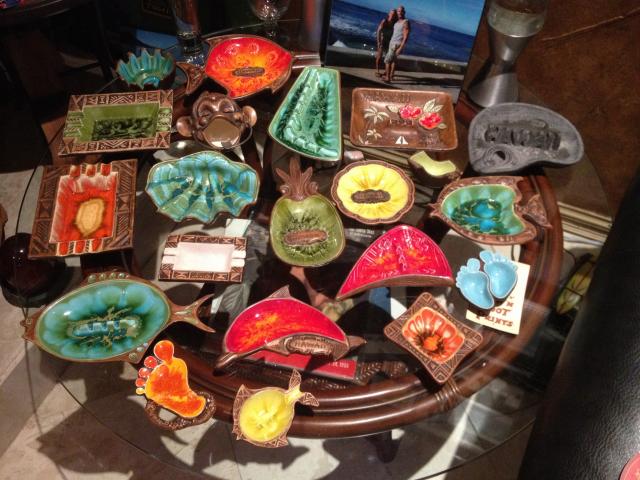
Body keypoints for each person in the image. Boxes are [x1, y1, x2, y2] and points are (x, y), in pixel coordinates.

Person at [384, 5, 410, 83]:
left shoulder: (405, 22)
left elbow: (406, 36)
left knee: (387, 61)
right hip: (392, 43)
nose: (400, 12)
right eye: (398, 11)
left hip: (396, 44)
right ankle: (391, 76)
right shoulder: (397, 21)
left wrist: (401, 48)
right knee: (393, 61)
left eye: (401, 11)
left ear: (404, 12)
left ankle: (387, 78)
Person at [375, 9, 397, 77]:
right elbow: (378, 31)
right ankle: (377, 71)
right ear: (389, 14)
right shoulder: (385, 21)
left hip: (390, 42)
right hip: (382, 41)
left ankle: (386, 71)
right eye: (391, 13)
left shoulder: (395, 23)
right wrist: (378, 42)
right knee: (379, 57)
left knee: (388, 57)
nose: (392, 15)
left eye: (394, 14)